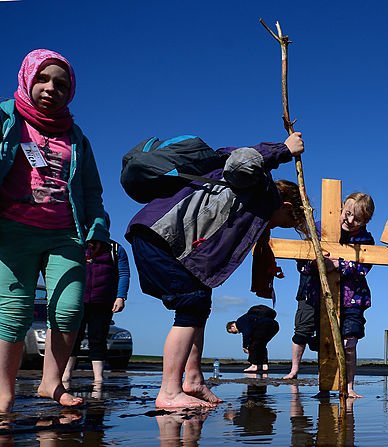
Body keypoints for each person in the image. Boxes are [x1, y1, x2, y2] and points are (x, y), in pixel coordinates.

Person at [126, 134, 304, 409]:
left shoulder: (255, 200)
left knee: (199, 301)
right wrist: (282, 150)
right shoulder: (257, 184)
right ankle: (170, 391)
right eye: (286, 222)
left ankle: (193, 380)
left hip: (167, 240)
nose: (279, 227)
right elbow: (239, 162)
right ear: (288, 207)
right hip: (163, 235)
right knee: (190, 306)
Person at [0, 49, 110, 412]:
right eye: (43, 79)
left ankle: (51, 383)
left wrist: (97, 226)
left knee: (69, 308)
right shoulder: (5, 118)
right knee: (14, 314)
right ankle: (4, 391)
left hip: (67, 234)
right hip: (13, 232)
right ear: (28, 78)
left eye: (61, 84)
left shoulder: (76, 136)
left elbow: (92, 190)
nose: (51, 88)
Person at [283, 192, 375, 399]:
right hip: (317, 293)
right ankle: (304, 374)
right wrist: (314, 264)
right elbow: (301, 257)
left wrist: (337, 264)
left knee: (349, 341)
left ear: (366, 221)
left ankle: (349, 386)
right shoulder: (318, 227)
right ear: (341, 208)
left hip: (352, 297)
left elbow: (364, 266)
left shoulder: (365, 240)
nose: (350, 221)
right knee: (312, 335)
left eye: (357, 219)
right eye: (348, 213)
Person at [63, 239, 130, 384]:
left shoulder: (115, 249)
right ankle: (66, 374)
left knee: (98, 338)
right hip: (76, 299)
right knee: (73, 337)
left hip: (103, 301)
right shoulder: (77, 245)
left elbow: (124, 273)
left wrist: (121, 296)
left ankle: (98, 377)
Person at [226, 304, 280, 373]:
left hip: (264, 326)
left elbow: (246, 332)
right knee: (261, 345)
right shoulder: (249, 317)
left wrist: (245, 346)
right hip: (274, 325)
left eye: (233, 332)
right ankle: (264, 364)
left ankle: (254, 365)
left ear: (232, 326)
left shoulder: (240, 321)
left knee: (252, 344)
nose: (236, 333)